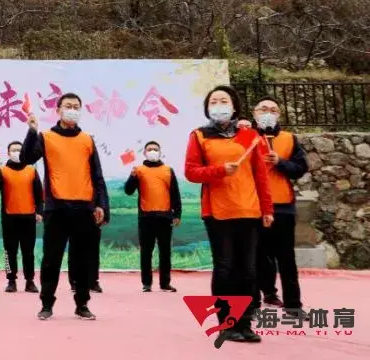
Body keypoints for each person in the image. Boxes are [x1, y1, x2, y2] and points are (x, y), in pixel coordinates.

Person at [185, 85, 273, 344]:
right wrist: (220, 170)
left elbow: (260, 175)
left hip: (249, 209)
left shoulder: (248, 136)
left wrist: (267, 208)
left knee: (248, 269)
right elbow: (191, 172)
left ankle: (245, 323)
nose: (219, 105)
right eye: (213, 101)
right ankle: (227, 323)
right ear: (207, 108)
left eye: (224, 101)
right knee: (225, 267)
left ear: (234, 106)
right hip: (218, 212)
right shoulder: (200, 136)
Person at [21, 93, 110, 321]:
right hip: (57, 208)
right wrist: (31, 132)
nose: (72, 110)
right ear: (58, 110)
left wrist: (101, 205)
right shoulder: (46, 137)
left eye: (76, 107)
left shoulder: (87, 140)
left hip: (84, 209)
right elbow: (26, 159)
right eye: (68, 106)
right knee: (51, 259)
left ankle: (82, 304)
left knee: (82, 260)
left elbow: (97, 176)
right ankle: (46, 304)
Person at [248, 97, 307, 318]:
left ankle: (293, 305)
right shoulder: (245, 138)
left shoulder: (289, 139)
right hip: (253, 206)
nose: (268, 113)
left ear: (279, 114)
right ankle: (254, 303)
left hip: (283, 206)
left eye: (273, 110)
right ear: (254, 113)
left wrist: (280, 162)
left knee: (286, 258)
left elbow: (300, 168)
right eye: (263, 109)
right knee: (255, 256)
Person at [124, 141, 181, 293]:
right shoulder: (139, 170)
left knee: (165, 252)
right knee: (146, 252)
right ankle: (146, 283)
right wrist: (131, 177)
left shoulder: (168, 170)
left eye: (155, 149)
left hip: (165, 217)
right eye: (149, 149)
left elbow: (175, 193)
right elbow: (128, 191)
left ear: (160, 152)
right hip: (146, 217)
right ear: (144, 153)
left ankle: (165, 283)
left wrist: (177, 214)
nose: (153, 151)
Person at [0, 141, 42, 294]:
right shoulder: (2, 171)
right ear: (8, 153)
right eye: (13, 150)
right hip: (9, 217)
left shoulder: (31, 170)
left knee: (28, 251)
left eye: (19, 149)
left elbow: (39, 194)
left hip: (28, 217)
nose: (16, 152)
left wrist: (39, 212)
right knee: (9, 251)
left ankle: (30, 281)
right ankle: (11, 280)